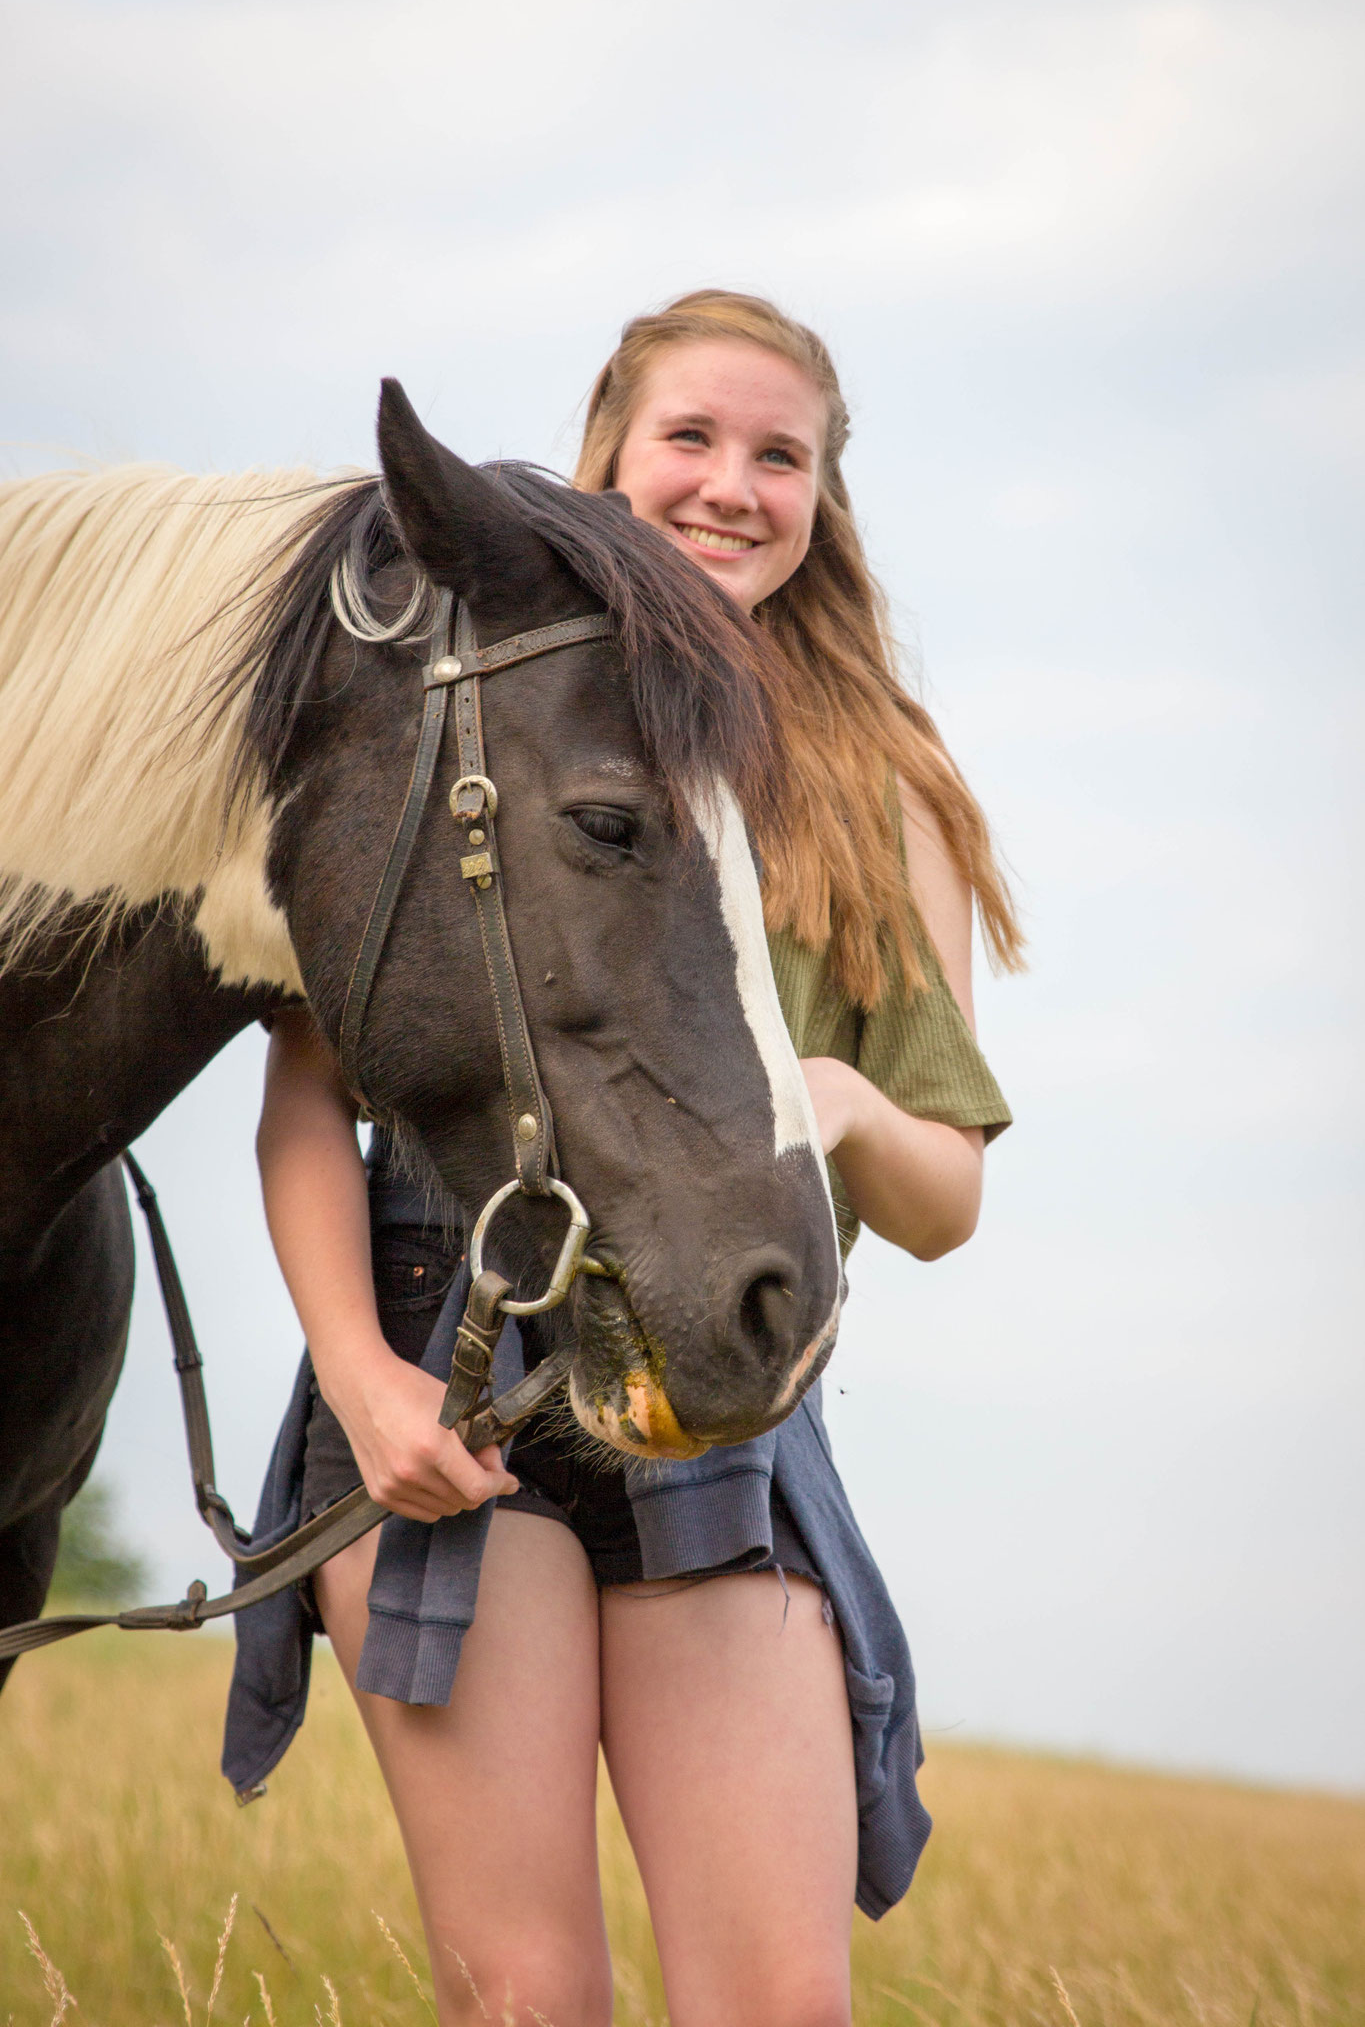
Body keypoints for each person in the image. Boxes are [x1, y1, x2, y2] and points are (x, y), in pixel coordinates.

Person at [241, 290, 1021, 2027]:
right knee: (526, 1999)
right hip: (445, 1373)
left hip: (721, 1410)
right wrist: (367, 1386)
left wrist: (832, 1103)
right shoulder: (466, 692)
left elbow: (949, 1203)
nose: (731, 485)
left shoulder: (877, 786)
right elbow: (309, 1095)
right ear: (609, 447)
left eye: (780, 455)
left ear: (826, 496)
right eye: (692, 437)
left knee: (776, 2005)